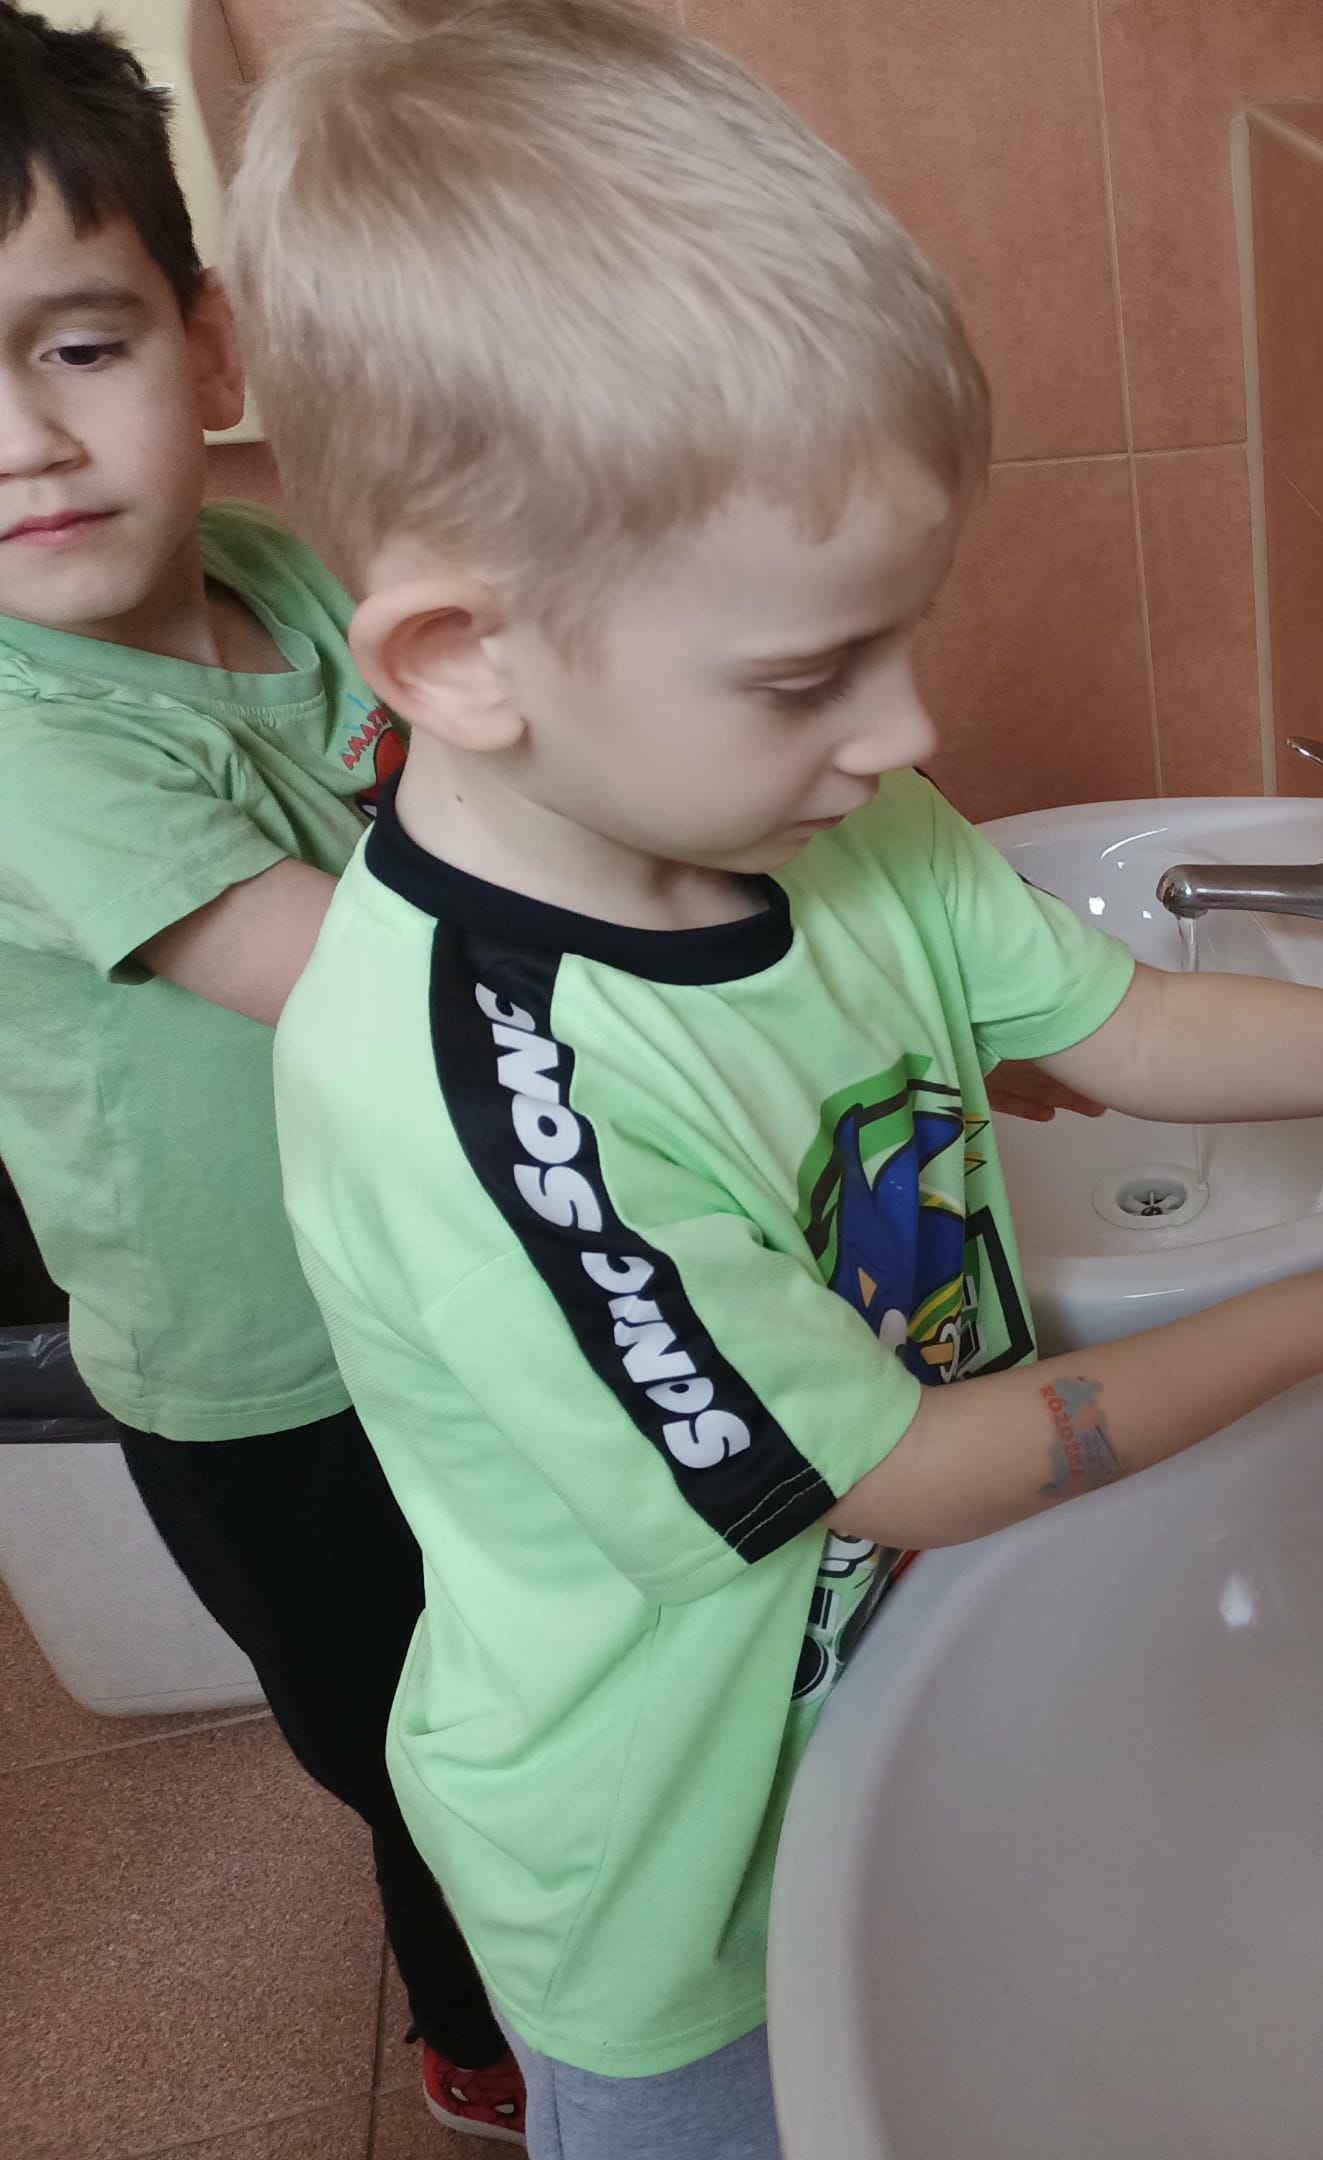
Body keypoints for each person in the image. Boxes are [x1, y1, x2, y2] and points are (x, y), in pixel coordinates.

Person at [228, 4, 1323, 2156]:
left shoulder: (823, 828)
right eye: (808, 671)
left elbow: (1127, 1032)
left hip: (907, 1695)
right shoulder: (489, 1101)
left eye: (901, 635)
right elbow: (908, 1471)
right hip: (676, 1893)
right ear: (464, 660)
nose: (908, 728)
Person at [0, 10, 524, 2139]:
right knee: (409, 1738)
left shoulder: (290, 580)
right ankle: (480, 2038)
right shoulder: (23, 739)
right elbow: (370, 979)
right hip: (268, 1374)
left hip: (431, 1281)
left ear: (209, 351)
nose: (22, 442)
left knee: (518, 1683)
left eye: (77, 345)